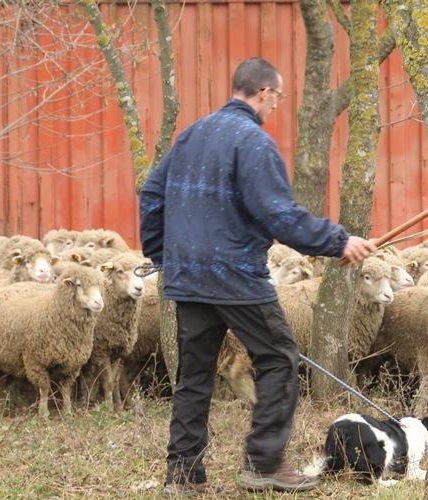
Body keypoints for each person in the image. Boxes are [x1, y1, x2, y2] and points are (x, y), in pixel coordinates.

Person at [138, 56, 376, 496]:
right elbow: (279, 214)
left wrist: (162, 255)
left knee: (194, 378)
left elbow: (152, 194)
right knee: (280, 357)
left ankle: (184, 478)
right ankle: (264, 462)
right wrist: (338, 241)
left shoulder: (190, 135)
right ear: (263, 92)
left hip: (188, 278)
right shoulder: (253, 142)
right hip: (234, 276)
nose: (277, 106)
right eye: (278, 97)